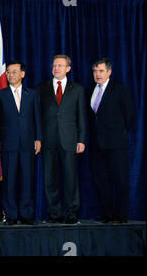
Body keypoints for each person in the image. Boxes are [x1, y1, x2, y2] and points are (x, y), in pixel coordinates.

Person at [36, 54, 86, 224]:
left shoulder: (77, 89)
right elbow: (37, 116)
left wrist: (81, 139)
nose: (56, 68)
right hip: (48, 140)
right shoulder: (42, 88)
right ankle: (54, 214)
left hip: (69, 140)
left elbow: (82, 117)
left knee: (71, 178)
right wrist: (38, 138)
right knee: (50, 179)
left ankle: (71, 213)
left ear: (68, 69)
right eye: (54, 65)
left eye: (60, 65)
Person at [86, 58, 135, 224]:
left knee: (120, 180)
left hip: (116, 144)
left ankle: (121, 215)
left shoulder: (119, 89)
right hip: (96, 146)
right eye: (95, 71)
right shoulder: (89, 90)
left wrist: (119, 134)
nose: (97, 74)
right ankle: (107, 214)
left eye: (101, 71)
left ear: (109, 72)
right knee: (102, 181)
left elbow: (129, 115)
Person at [0, 61, 42, 226]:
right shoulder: (0, 95)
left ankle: (27, 214)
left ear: (22, 74)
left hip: (28, 144)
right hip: (8, 145)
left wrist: (38, 139)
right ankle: (12, 215)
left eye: (14, 72)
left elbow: (37, 119)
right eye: (8, 72)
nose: (10, 75)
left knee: (28, 180)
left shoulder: (32, 94)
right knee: (10, 181)